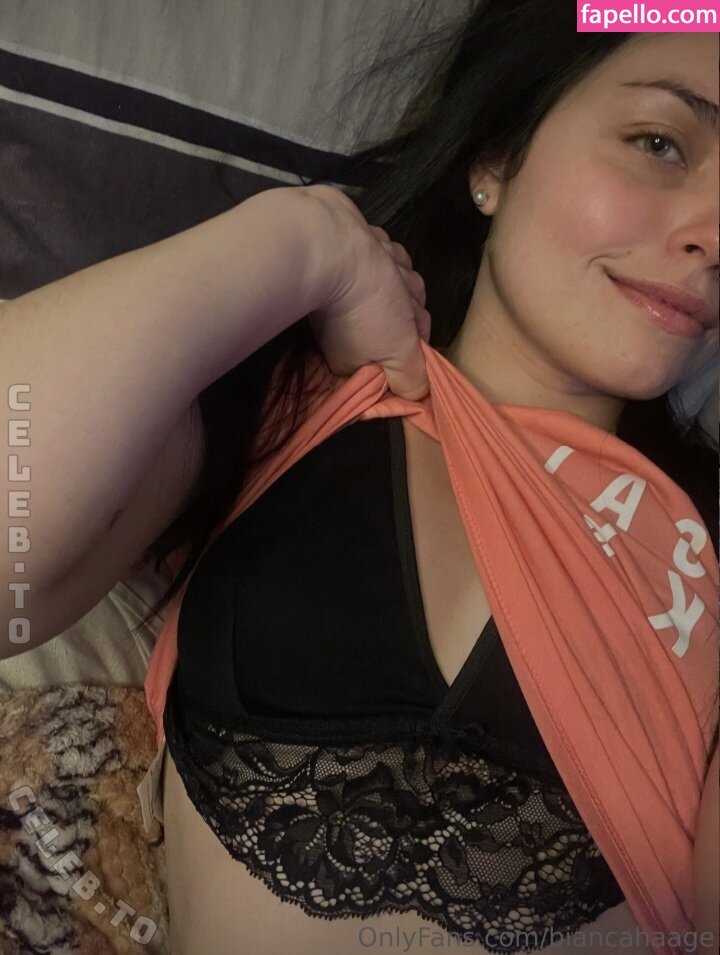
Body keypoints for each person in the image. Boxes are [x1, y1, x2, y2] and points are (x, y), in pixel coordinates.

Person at [1, 2, 716, 954]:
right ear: (497, 155)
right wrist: (303, 244)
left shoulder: (705, 539)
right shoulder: (283, 400)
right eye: (660, 143)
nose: (715, 231)